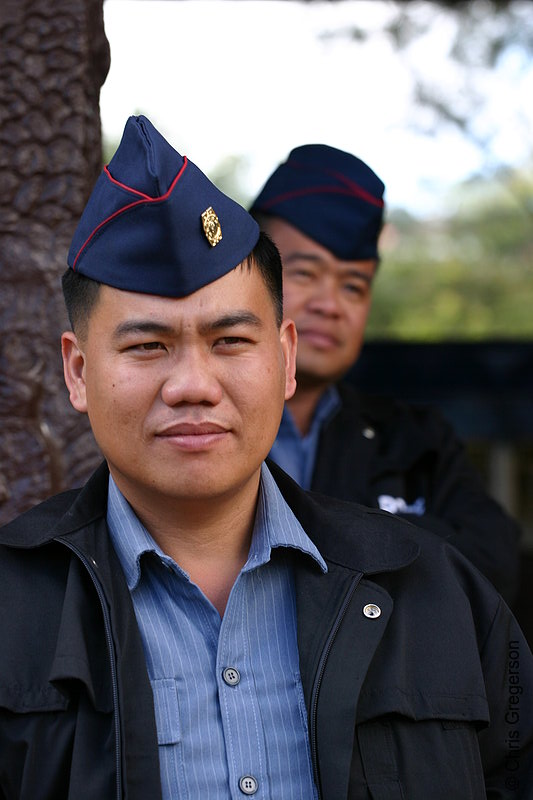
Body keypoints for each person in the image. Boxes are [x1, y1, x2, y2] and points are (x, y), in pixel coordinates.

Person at [0, 116, 532, 800]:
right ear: (76, 372)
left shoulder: (435, 589)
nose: (193, 384)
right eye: (146, 346)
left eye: (229, 341)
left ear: (283, 358)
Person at [250, 144, 521, 605]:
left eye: (353, 286)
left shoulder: (416, 440)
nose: (330, 305)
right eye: (304, 273)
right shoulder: (202, 418)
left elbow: (494, 563)